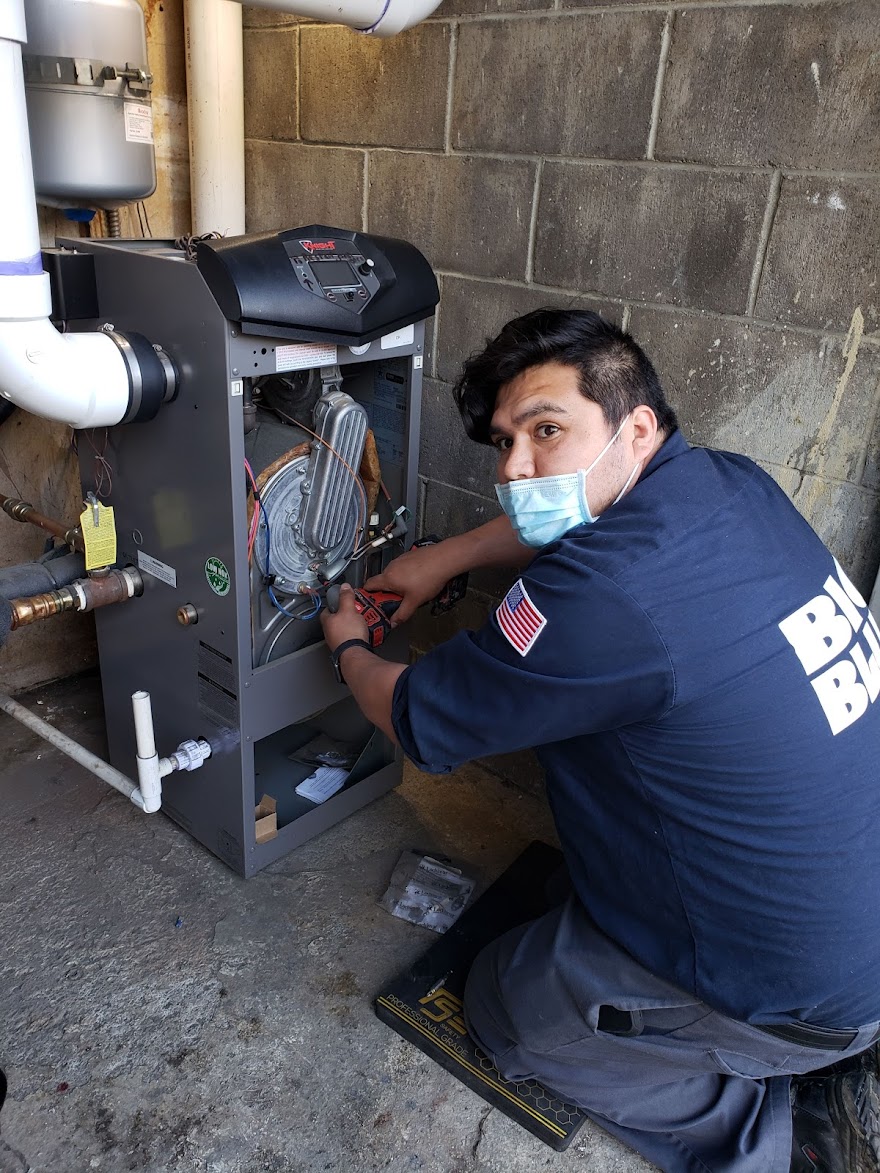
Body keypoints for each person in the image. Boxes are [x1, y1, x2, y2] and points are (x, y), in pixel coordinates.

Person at [320, 309, 880, 1173]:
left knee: (508, 1007)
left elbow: (417, 717)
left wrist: (350, 645)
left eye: (547, 430)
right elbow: (567, 519)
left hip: (790, 993)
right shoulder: (731, 484)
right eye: (506, 442)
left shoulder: (605, 600)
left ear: (638, 426)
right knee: (569, 883)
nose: (515, 469)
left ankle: (778, 1134)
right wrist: (443, 560)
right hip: (848, 924)